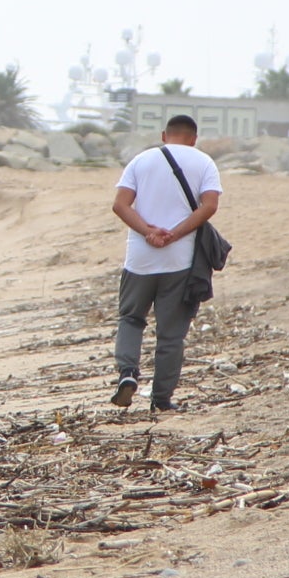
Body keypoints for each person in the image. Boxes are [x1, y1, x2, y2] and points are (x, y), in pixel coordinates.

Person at [108, 114, 221, 411]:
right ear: (193, 138)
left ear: (163, 135)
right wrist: (174, 235)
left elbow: (120, 204)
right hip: (180, 261)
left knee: (131, 318)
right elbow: (210, 206)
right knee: (171, 335)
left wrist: (148, 232)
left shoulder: (141, 160)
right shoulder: (204, 162)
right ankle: (161, 400)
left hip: (139, 260)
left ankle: (128, 373)